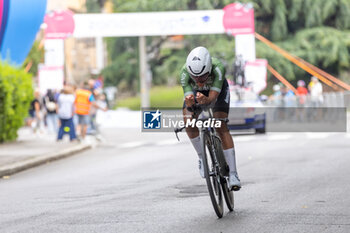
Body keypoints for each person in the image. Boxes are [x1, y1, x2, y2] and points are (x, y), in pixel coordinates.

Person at [180, 46, 241, 191]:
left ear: (208, 69)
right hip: (197, 94)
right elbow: (189, 101)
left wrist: (205, 100)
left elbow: (212, 99)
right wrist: (190, 106)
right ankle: (202, 157)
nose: (199, 80)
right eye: (195, 77)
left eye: (202, 76)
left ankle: (233, 174)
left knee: (221, 125)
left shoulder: (218, 68)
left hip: (217, 92)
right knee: (189, 123)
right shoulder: (184, 73)